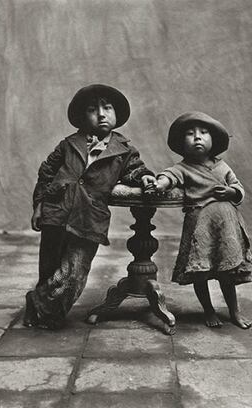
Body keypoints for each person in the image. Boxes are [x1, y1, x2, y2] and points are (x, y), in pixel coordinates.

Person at [24, 84, 156, 329]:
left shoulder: (124, 150)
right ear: (81, 117)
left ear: (116, 114)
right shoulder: (68, 144)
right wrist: (39, 205)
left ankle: (39, 303)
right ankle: (46, 312)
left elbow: (135, 170)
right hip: (57, 210)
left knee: (74, 272)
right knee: (50, 267)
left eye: (107, 108)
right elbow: (46, 173)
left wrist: (145, 177)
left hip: (89, 216)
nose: (101, 114)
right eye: (92, 109)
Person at [147, 112, 252, 329]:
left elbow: (239, 187)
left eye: (204, 133)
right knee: (200, 272)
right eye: (190, 134)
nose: (197, 137)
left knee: (227, 272)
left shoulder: (223, 167)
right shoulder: (183, 168)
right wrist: (160, 183)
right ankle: (208, 310)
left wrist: (231, 192)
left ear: (213, 141)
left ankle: (234, 311)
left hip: (226, 229)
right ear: (181, 142)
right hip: (199, 228)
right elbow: (169, 176)